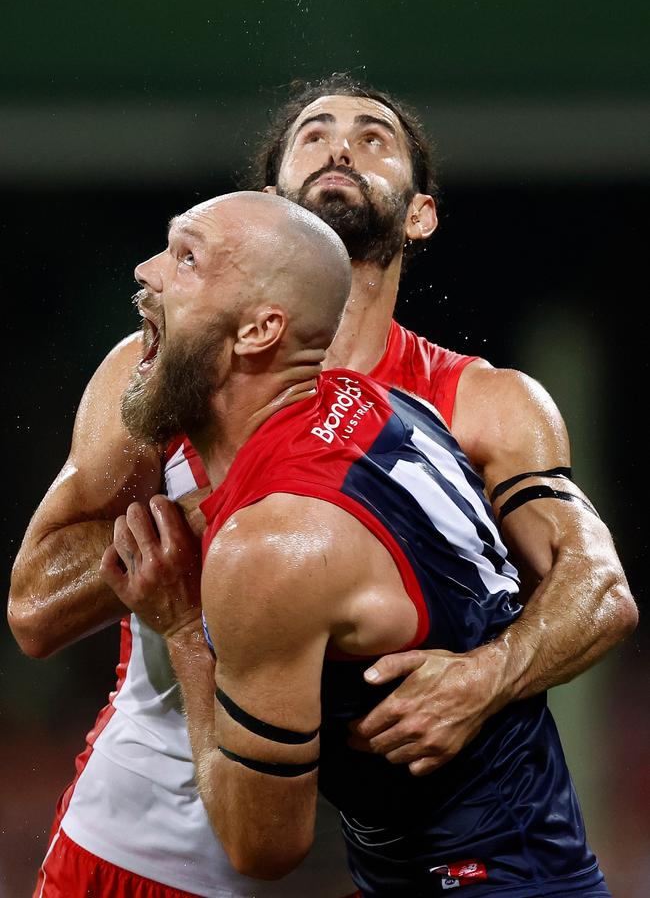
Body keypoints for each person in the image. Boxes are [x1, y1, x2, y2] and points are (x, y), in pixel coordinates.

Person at [8, 75, 636, 896]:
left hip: (398, 849)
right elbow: (34, 610)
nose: (340, 145)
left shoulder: (465, 404)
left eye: (375, 138)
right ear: (273, 208)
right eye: (313, 133)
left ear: (420, 214)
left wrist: (489, 675)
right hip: (170, 833)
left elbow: (598, 586)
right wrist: (206, 530)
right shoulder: (162, 373)